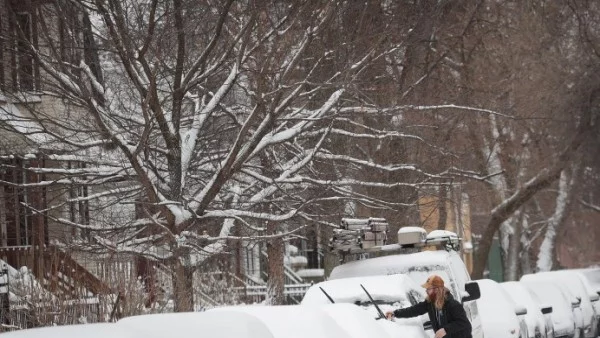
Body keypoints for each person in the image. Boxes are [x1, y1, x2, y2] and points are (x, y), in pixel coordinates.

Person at [385, 275, 472, 338]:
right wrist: (395, 313)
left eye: (428, 289)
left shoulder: (453, 305)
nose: (426, 291)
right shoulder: (430, 304)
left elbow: (464, 323)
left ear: (437, 289)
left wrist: (445, 330)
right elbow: (414, 310)